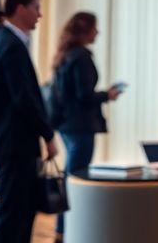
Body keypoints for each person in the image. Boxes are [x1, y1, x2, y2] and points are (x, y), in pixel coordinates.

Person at [0, 0, 57, 243]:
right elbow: (23, 99)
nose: (40, 14)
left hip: (11, 146)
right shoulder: (11, 46)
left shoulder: (4, 42)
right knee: (13, 216)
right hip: (15, 147)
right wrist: (48, 134)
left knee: (18, 214)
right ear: (20, 8)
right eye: (36, 8)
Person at [51, 12, 122, 240]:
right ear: (85, 30)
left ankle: (63, 229)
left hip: (66, 124)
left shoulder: (65, 55)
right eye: (95, 28)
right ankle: (67, 229)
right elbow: (84, 95)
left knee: (71, 175)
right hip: (80, 125)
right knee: (75, 178)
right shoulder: (81, 57)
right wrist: (107, 95)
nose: (98, 32)